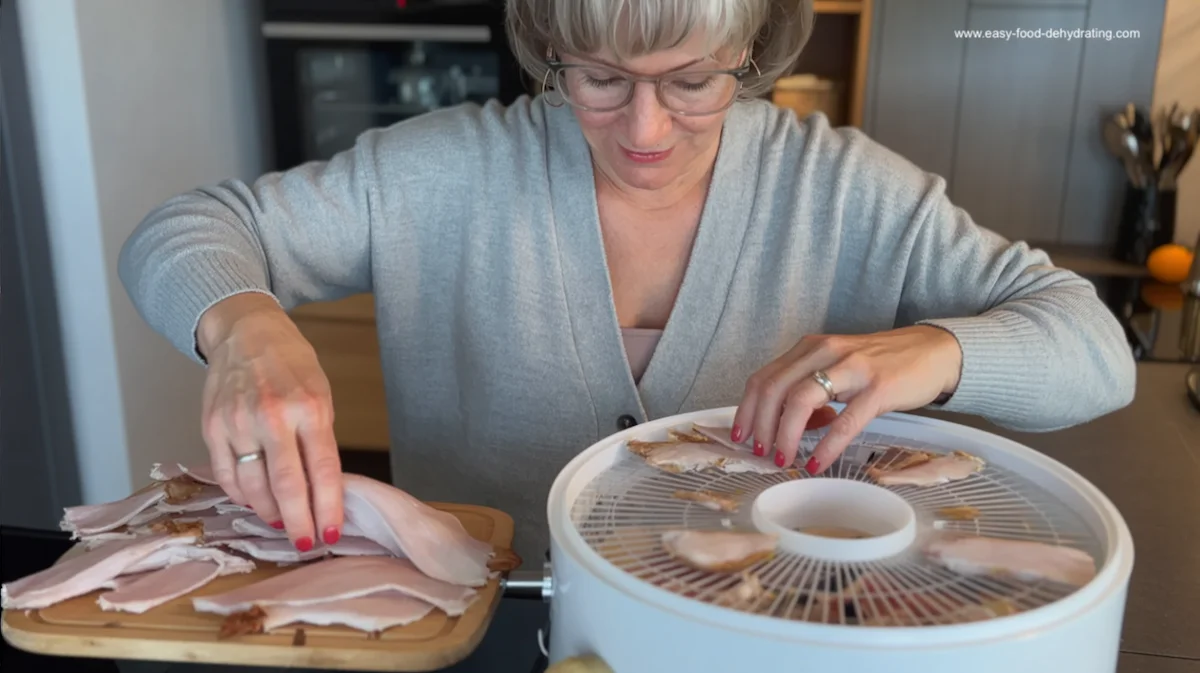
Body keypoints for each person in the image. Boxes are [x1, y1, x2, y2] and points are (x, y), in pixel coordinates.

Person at [118, 0, 1134, 665]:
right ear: (548, 49)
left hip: (769, 644)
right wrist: (245, 324)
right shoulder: (443, 170)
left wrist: (932, 352)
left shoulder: (847, 189)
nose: (644, 131)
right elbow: (190, 228)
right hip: (491, 638)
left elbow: (1093, 348)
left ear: (753, 49)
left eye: (692, 81)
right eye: (598, 78)